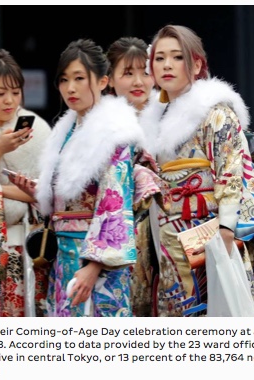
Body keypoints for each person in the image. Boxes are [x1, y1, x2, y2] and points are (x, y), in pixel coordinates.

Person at [140, 24, 254, 316]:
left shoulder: (215, 112)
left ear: (196, 63)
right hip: (165, 233)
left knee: (213, 314)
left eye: (176, 57)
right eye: (159, 58)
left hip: (206, 230)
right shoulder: (152, 120)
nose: (166, 65)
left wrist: (226, 229)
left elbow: (230, 170)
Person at [15, 39, 146, 317]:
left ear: (102, 81)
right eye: (64, 80)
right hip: (64, 252)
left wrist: (94, 265)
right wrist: (43, 192)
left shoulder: (115, 132)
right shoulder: (67, 130)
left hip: (95, 258)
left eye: (79, 78)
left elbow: (115, 203)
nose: (70, 88)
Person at [0, 48, 52, 317]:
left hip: (30, 247)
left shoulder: (37, 130)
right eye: (0, 92)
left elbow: (46, 192)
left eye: (15, 92)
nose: (9, 101)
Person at [106, 36, 160, 317]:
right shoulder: (101, 126)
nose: (139, 81)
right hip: (122, 232)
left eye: (145, 72)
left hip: (168, 229)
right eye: (128, 73)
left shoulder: (174, 119)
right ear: (109, 80)